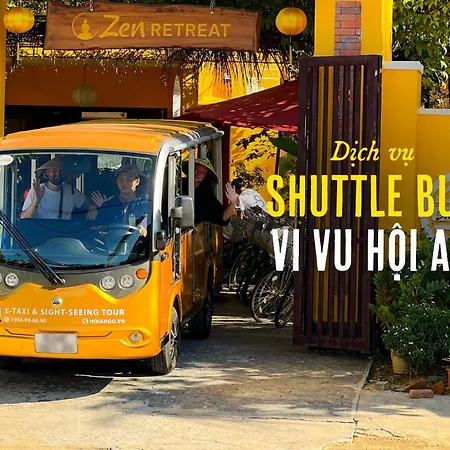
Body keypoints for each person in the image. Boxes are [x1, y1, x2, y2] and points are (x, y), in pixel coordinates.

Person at [21, 155, 98, 220]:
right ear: (47, 172)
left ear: (66, 174)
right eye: (54, 170)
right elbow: (23, 218)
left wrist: (93, 207)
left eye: (61, 171)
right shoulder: (36, 191)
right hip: (41, 232)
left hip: (65, 232)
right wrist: (36, 201)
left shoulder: (71, 191)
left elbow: (90, 202)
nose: (57, 174)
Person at [92, 164, 149, 237]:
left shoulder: (145, 206)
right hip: (110, 243)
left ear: (137, 181)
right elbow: (96, 228)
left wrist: (143, 230)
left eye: (128, 179)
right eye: (121, 179)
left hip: (137, 243)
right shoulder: (108, 205)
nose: (124, 183)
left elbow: (150, 228)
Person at [183, 158, 237, 226]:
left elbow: (223, 217)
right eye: (197, 169)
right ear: (190, 168)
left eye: (203, 172)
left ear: (206, 176)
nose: (199, 173)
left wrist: (233, 202)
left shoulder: (206, 196)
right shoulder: (178, 185)